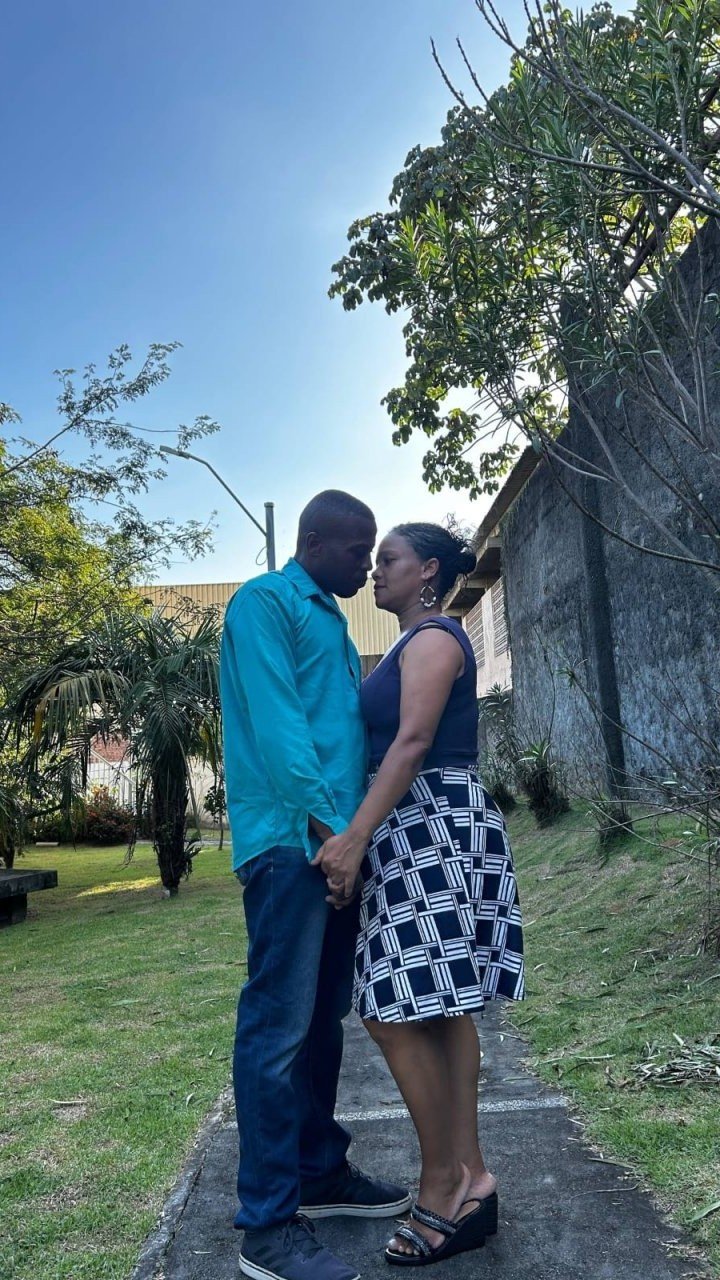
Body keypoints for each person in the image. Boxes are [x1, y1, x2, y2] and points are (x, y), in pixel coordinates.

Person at [314, 522, 525, 1268]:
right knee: (439, 1010)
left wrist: (353, 838)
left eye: (390, 559)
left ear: (428, 570)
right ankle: (473, 1179)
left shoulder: (434, 638)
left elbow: (411, 744)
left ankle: (442, 1181)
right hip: (418, 826)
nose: (377, 571)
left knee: (389, 1010)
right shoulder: (412, 640)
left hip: (430, 824)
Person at [220, 490, 412, 1280]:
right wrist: (334, 837)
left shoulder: (332, 621)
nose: (366, 565)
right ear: (313, 543)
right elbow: (280, 729)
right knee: (276, 1030)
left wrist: (351, 841)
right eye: (357, 549)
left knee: (321, 1022)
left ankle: (318, 1171)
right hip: (290, 843)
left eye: (373, 552)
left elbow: (342, 737)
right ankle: (267, 1226)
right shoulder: (265, 603)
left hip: (335, 845)